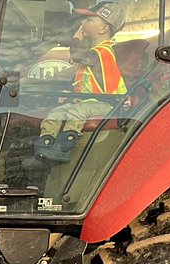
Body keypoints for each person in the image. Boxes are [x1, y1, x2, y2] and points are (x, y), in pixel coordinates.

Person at [34, 2, 127, 162]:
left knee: (76, 113)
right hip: (87, 102)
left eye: (89, 20)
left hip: (107, 104)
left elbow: (78, 55)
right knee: (56, 113)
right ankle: (45, 145)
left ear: (103, 29)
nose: (82, 23)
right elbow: (73, 75)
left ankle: (63, 148)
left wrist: (76, 39)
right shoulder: (91, 55)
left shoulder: (103, 52)